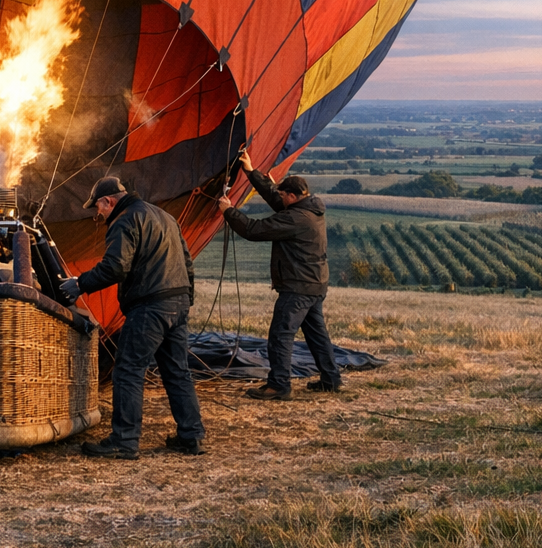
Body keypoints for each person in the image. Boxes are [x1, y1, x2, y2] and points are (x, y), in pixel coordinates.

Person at [60, 177, 204, 459]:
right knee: (177, 372)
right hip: (177, 303)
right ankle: (192, 436)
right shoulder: (164, 216)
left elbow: (115, 267)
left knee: (127, 370)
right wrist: (186, 301)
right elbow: (187, 263)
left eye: (97, 208)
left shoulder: (124, 220)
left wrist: (80, 284)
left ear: (108, 201)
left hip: (150, 305)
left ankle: (124, 440)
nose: (97, 214)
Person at [216, 149, 339, 400]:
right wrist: (251, 172)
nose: (280, 198)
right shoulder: (309, 209)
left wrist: (228, 211)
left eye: (284, 194)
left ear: (292, 196)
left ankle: (279, 385)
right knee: (317, 335)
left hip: (298, 287)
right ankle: (331, 378)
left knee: (281, 334)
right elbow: (276, 198)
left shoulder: (296, 219)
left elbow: (253, 229)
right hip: (315, 284)